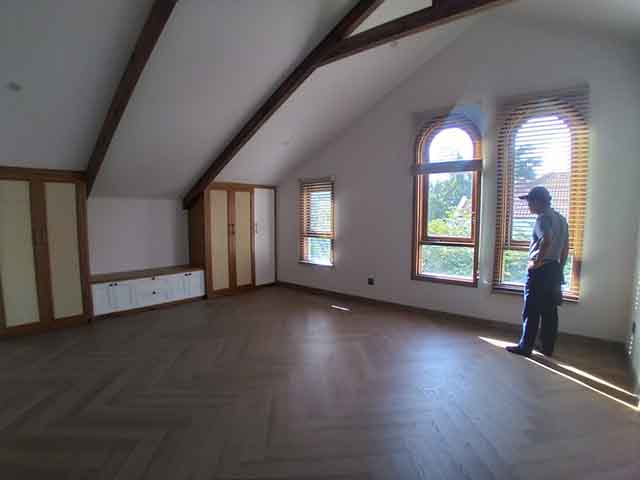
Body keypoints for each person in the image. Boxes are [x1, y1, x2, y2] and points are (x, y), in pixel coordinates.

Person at [506, 186, 569, 357]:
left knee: (531, 309)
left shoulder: (543, 219)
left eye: (530, 202)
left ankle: (525, 347)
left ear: (539, 202)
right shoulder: (561, 219)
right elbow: (565, 247)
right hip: (554, 269)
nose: (528, 205)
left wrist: (537, 263)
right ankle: (547, 347)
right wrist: (560, 267)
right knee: (550, 311)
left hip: (540, 271)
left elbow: (546, 240)